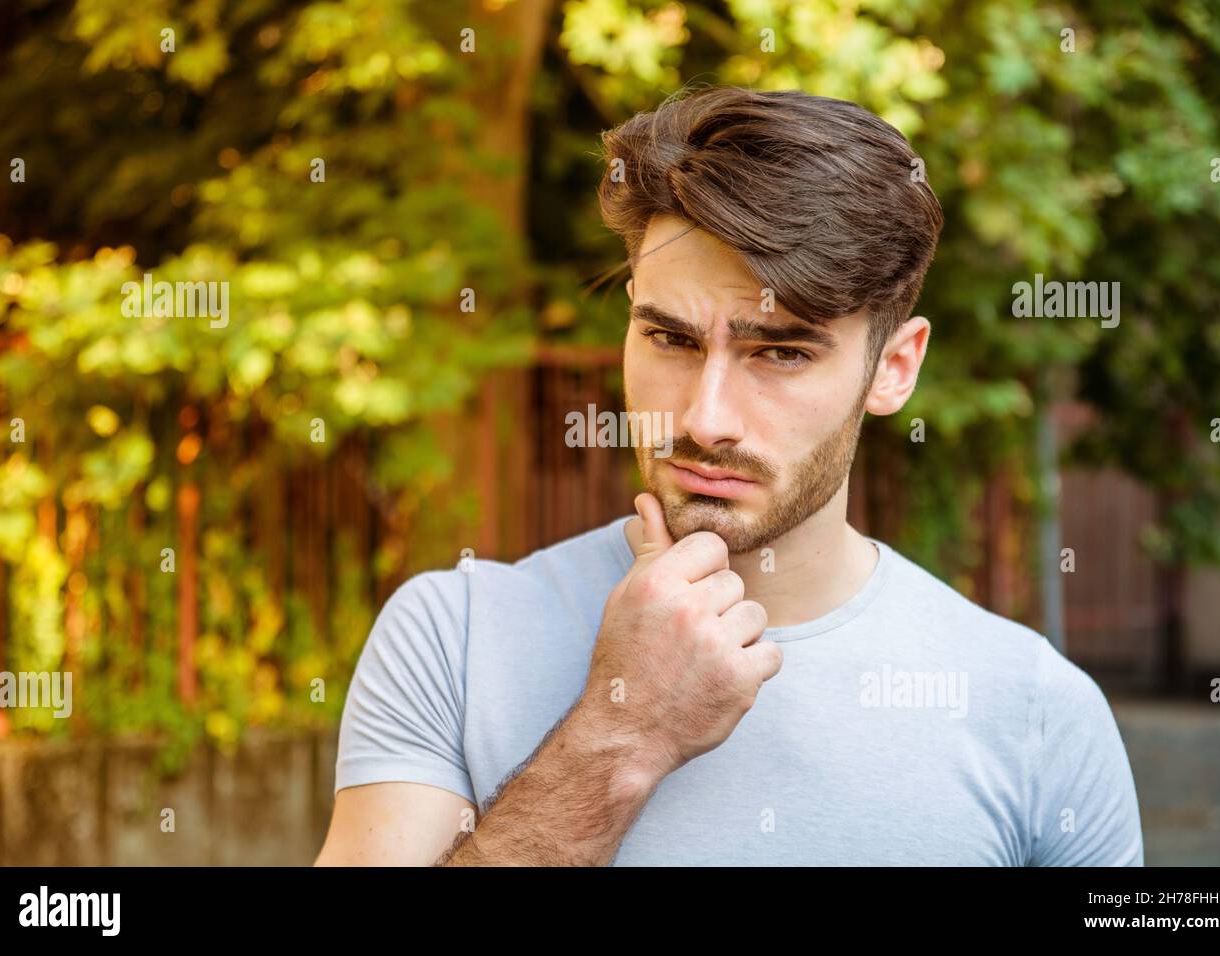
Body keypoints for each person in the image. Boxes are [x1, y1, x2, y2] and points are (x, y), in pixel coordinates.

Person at [315, 85, 1144, 866]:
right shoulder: (453, 638)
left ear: (894, 368)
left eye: (780, 351)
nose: (704, 418)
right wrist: (624, 733)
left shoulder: (1035, 710)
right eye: (670, 339)